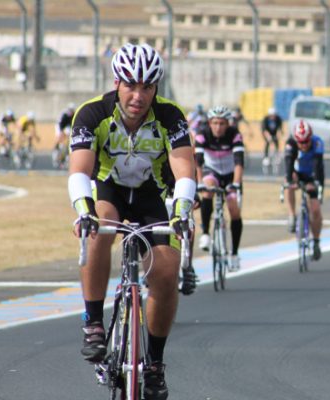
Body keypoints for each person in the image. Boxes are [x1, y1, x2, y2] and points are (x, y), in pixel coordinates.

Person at [68, 43, 195, 400]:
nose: (138, 95)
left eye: (147, 87)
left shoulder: (171, 117)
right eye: (130, 85)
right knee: (98, 227)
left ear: (156, 88)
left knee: (166, 274)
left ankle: (154, 363)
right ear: (117, 83)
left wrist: (183, 211)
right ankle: (93, 322)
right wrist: (83, 210)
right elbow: (79, 170)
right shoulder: (92, 114)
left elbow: (185, 170)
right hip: (110, 193)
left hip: (152, 197)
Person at [195, 105, 245, 272]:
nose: (218, 127)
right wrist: (200, 182)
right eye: (215, 123)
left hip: (231, 175)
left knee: (233, 209)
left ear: (227, 123)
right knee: (207, 189)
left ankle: (235, 254)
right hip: (212, 172)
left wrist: (236, 184)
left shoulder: (234, 135)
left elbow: (239, 163)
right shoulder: (202, 134)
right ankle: (206, 234)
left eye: (222, 123)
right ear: (210, 123)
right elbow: (198, 162)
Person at [283, 119, 325, 260]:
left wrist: (314, 183)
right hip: (297, 173)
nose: (304, 145)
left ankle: (316, 242)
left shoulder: (317, 142)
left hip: (313, 174)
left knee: (315, 210)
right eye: (300, 142)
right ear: (296, 140)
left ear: (311, 137)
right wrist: (290, 181)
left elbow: (317, 164)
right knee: (287, 183)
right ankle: (291, 215)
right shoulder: (290, 144)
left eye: (306, 141)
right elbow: (288, 165)